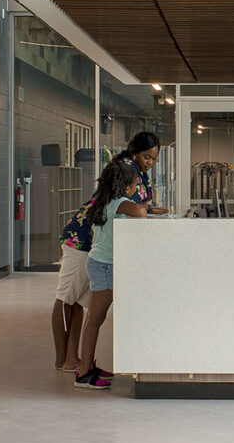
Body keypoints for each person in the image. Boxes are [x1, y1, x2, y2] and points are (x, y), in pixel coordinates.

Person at [51, 132, 168, 373]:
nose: (150, 163)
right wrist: (144, 207)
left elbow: (136, 204)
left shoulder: (137, 170)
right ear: (134, 151)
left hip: (98, 244)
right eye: (147, 157)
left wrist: (147, 208)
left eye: (154, 159)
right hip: (82, 240)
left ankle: (75, 358)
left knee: (78, 303)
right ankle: (63, 359)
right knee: (66, 299)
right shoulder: (125, 167)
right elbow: (127, 203)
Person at [75, 161, 147, 389]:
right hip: (105, 266)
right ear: (126, 187)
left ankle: (88, 365)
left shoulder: (105, 202)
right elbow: (139, 210)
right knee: (95, 319)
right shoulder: (121, 203)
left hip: (100, 263)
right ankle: (84, 373)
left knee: (95, 319)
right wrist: (145, 206)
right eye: (136, 184)